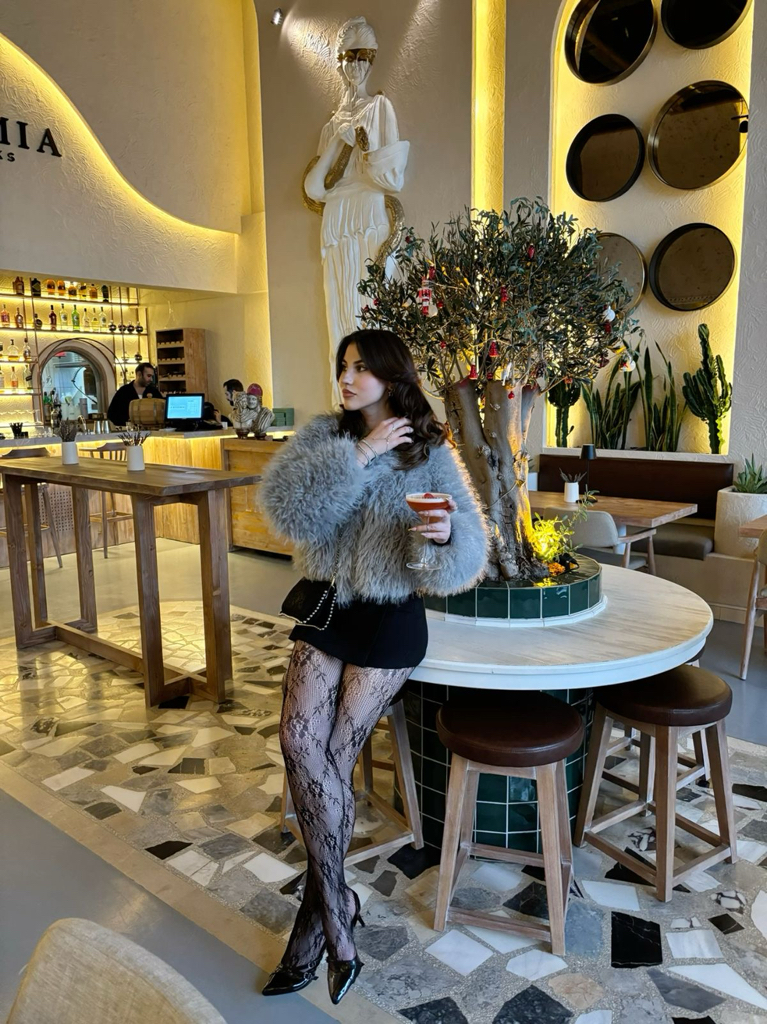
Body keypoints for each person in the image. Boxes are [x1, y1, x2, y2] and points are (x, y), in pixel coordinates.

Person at [258, 329, 489, 1004]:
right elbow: (287, 513)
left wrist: (441, 537)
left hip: (390, 619)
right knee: (298, 743)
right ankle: (339, 909)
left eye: (361, 367)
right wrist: (357, 456)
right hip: (329, 610)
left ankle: (319, 924)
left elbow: (467, 552)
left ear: (392, 376)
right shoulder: (323, 438)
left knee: (332, 756)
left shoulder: (430, 450)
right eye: (343, 366)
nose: (347, 377)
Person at [107, 363, 163, 427]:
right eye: (148, 376)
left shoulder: (154, 391)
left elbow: (162, 410)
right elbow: (112, 414)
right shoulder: (123, 391)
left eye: (152, 376)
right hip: (129, 430)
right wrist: (127, 424)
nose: (151, 379)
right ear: (139, 374)